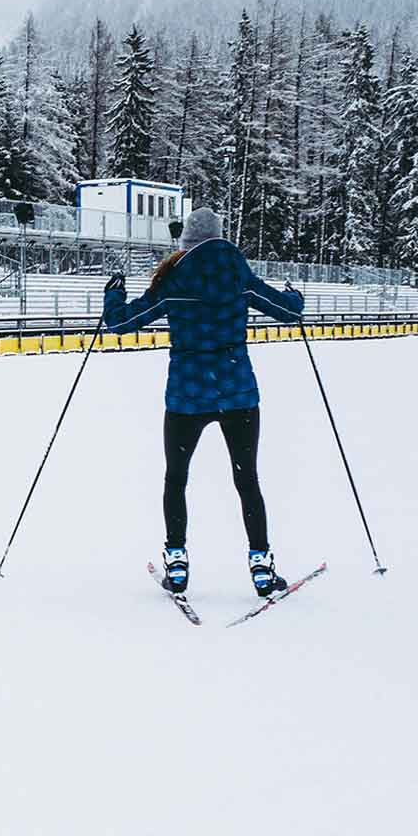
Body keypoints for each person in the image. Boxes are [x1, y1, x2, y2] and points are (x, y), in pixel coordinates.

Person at [102, 208, 305, 599]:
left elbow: (121, 323)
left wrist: (114, 295)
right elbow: (287, 313)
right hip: (238, 394)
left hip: (187, 396)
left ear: (187, 243)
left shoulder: (175, 278)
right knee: (247, 481)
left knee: (176, 478)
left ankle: (177, 563)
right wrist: (294, 296)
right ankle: (261, 568)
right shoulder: (237, 272)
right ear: (219, 237)